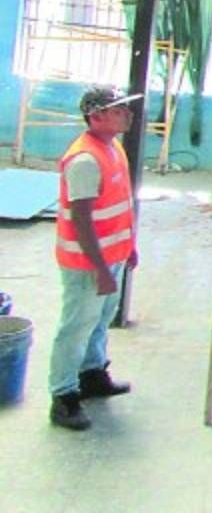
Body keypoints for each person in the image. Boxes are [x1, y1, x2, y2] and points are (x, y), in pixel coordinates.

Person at [48, 85, 141, 431]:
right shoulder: (85, 160)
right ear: (96, 116)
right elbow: (81, 220)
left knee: (99, 320)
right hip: (87, 263)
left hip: (111, 255)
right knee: (76, 326)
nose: (128, 115)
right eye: (119, 110)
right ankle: (63, 396)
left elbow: (119, 204)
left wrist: (129, 246)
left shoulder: (113, 147)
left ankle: (92, 374)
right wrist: (100, 268)